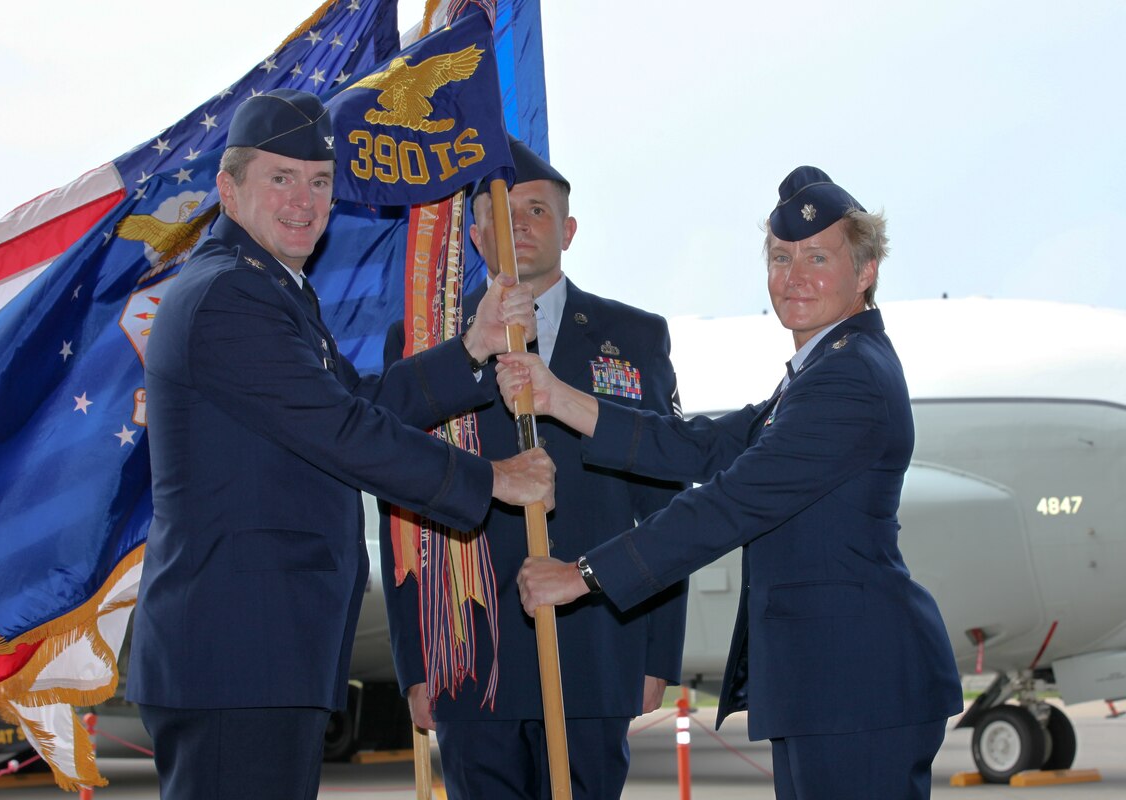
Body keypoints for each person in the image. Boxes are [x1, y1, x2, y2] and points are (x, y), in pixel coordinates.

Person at [126, 89, 555, 800]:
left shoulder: (271, 289)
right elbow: (344, 432)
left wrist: (474, 348)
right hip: (240, 656)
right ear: (228, 189)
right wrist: (494, 481)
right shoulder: (231, 296)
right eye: (281, 177)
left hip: (260, 654)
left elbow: (355, 402)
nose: (305, 199)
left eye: (319, 180)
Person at [499, 166, 964, 799]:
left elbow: (729, 503)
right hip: (831, 686)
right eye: (780, 257)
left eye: (817, 258)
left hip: (855, 687)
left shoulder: (846, 378)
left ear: (865, 272)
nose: (793, 276)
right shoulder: (818, 371)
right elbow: (699, 443)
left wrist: (581, 575)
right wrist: (558, 398)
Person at [379, 139, 687, 799]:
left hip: (595, 644)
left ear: (568, 230)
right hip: (470, 649)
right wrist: (415, 663)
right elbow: (399, 508)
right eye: (502, 212)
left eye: (538, 211)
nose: (519, 224)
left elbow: (664, 502)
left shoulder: (632, 336)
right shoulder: (429, 340)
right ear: (475, 234)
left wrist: (658, 653)